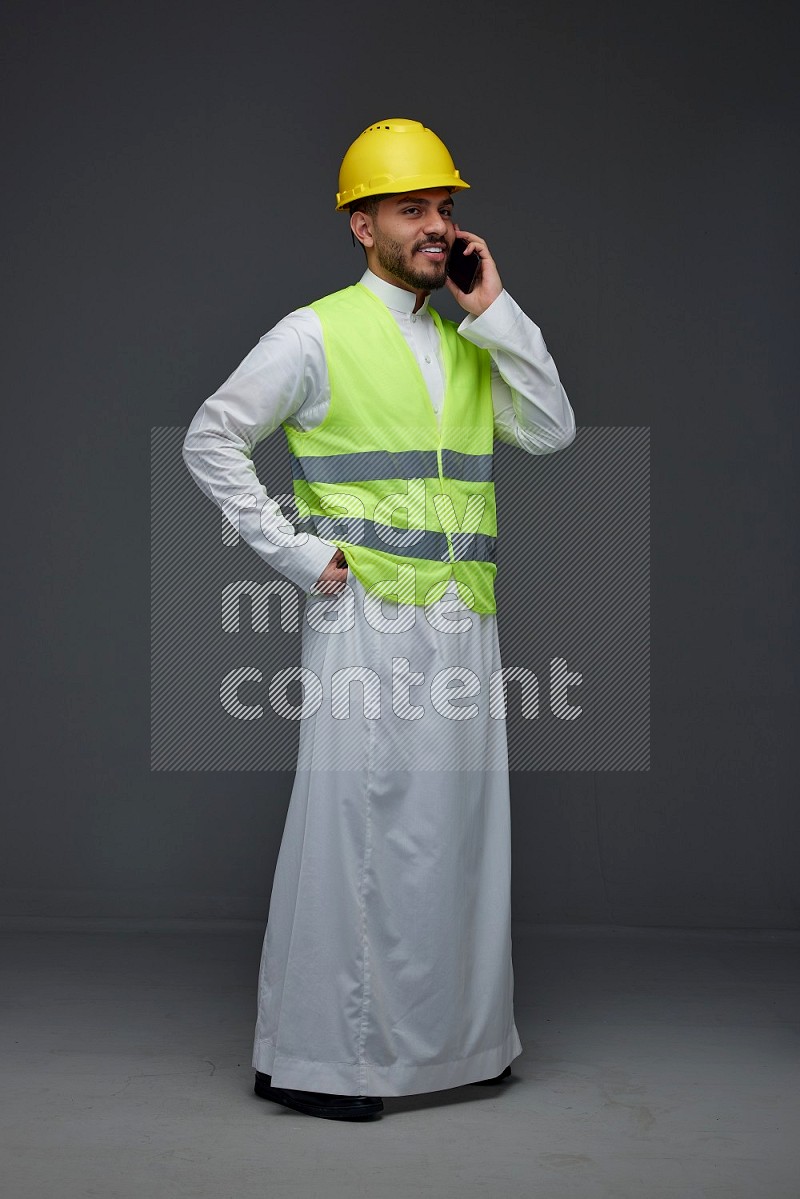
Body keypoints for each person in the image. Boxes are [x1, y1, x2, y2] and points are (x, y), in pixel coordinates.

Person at [182, 118, 576, 1121]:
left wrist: (492, 308)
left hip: (462, 618)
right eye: (414, 210)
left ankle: (457, 1046)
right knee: (359, 829)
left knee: (456, 834)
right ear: (362, 225)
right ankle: (327, 1056)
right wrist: (300, 555)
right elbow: (212, 437)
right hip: (365, 616)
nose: (437, 227)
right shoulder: (315, 332)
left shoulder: (464, 338)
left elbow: (549, 428)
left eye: (445, 209)